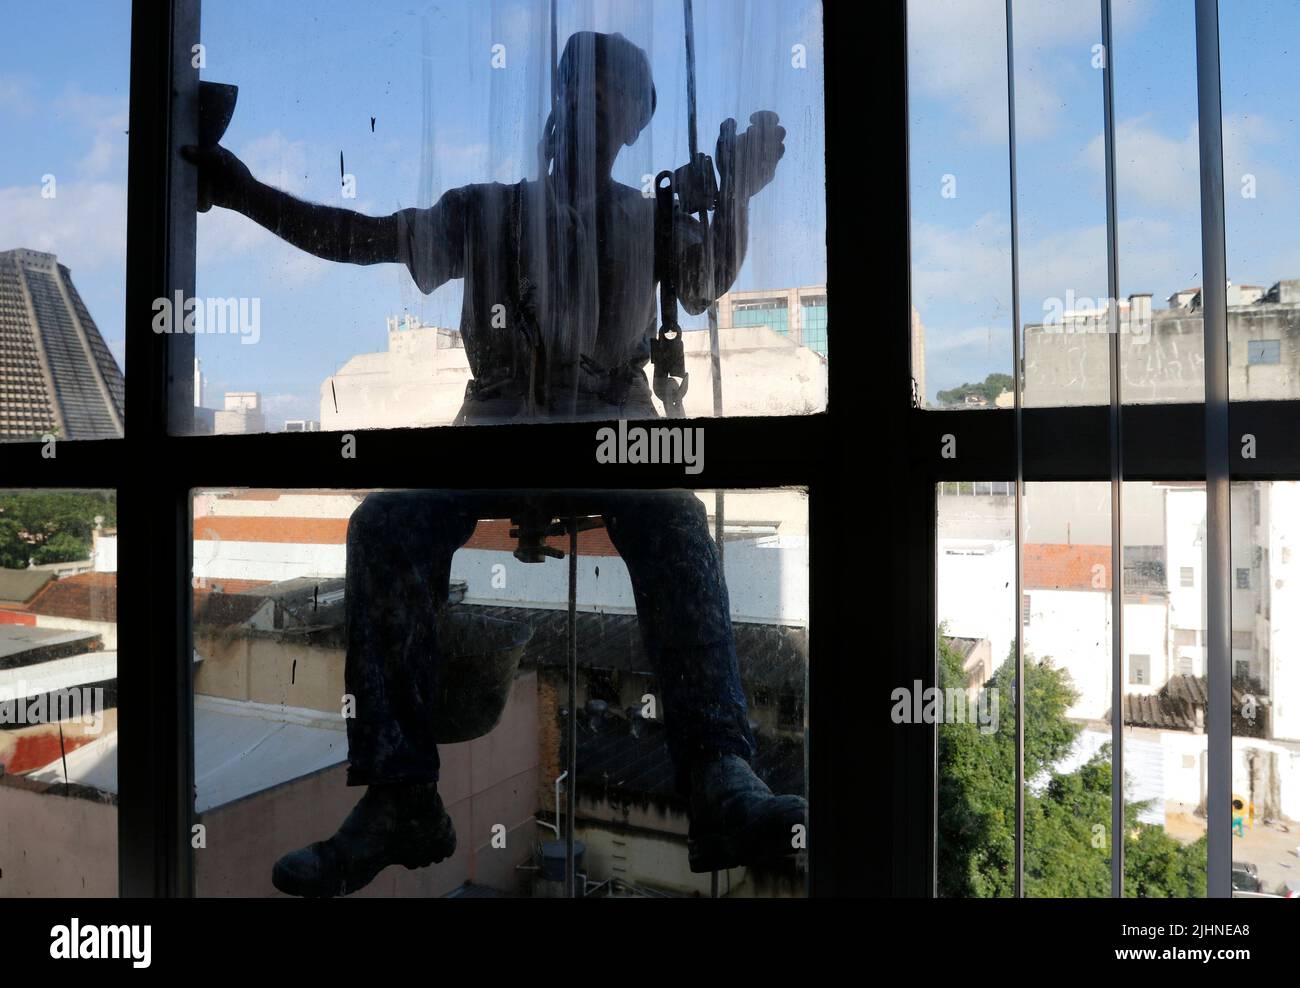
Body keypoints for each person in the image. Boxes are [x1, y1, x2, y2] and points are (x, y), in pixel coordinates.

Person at [184, 30, 803, 898]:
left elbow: (702, 286)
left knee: (672, 521)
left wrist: (735, 194)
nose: (590, 98)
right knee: (387, 525)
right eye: (579, 82)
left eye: (611, 88)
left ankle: (718, 777)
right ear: (558, 99)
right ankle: (401, 793)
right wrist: (247, 196)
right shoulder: (486, 211)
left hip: (602, 430)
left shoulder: (649, 217)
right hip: (501, 432)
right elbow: (361, 238)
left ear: (635, 117)